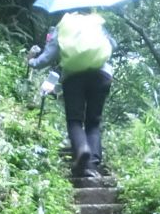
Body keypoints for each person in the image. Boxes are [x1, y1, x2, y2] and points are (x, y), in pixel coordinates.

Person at [28, 10, 115, 178]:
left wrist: (31, 61)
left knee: (75, 120)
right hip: (101, 75)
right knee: (93, 122)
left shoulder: (63, 26)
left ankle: (82, 149)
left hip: (74, 77)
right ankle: (93, 164)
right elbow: (113, 45)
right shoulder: (97, 23)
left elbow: (46, 58)